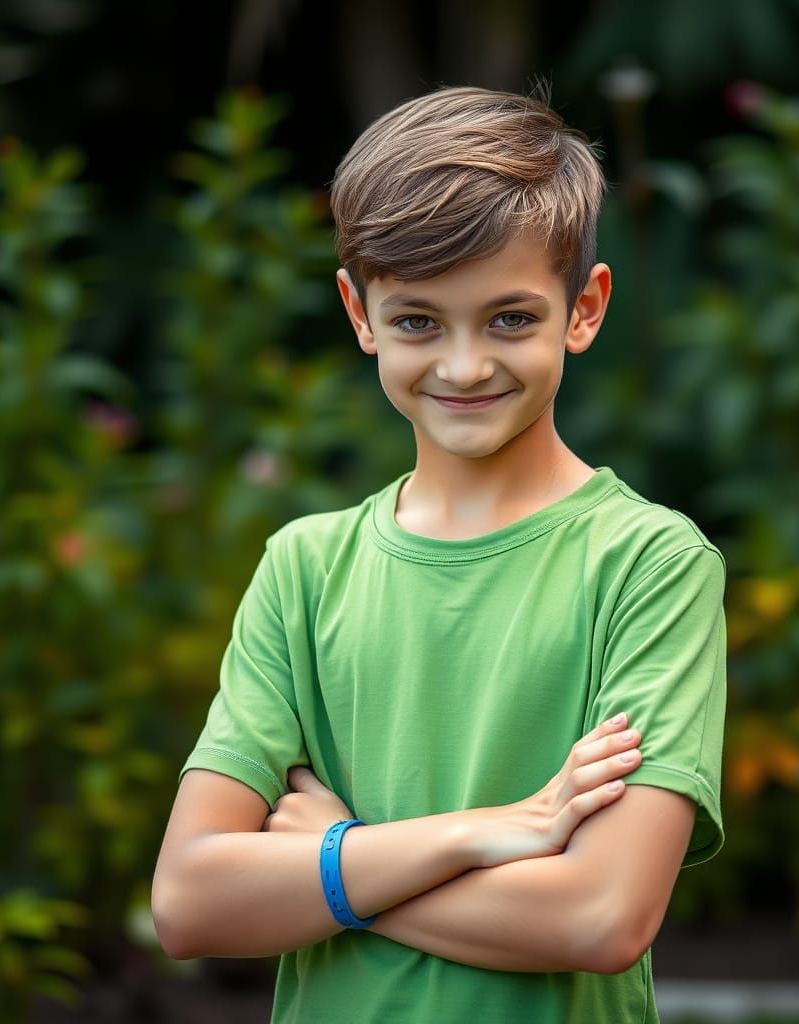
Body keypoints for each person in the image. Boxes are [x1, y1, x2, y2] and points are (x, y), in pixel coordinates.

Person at [151, 83, 727, 1024]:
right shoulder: (304, 568)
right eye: (420, 321)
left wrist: (338, 856)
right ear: (359, 313)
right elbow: (189, 901)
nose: (464, 366)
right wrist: (486, 836)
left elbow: (602, 916)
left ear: (584, 309)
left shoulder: (649, 564)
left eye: (509, 319)